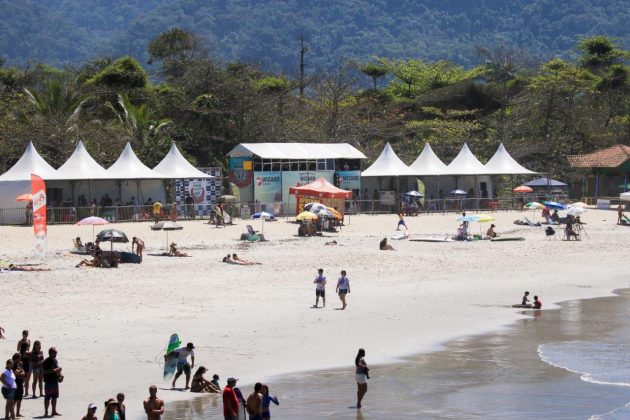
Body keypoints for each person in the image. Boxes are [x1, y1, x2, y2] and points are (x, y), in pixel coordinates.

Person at [43, 347, 62, 417]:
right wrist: (54, 370)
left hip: (55, 381)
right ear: (50, 353)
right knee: (47, 398)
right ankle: (46, 412)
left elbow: (58, 370)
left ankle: (54, 411)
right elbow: (44, 371)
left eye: (56, 353)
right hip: (48, 382)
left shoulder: (55, 361)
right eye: (54, 352)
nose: (56, 354)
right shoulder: (46, 361)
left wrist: (60, 375)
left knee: (55, 397)